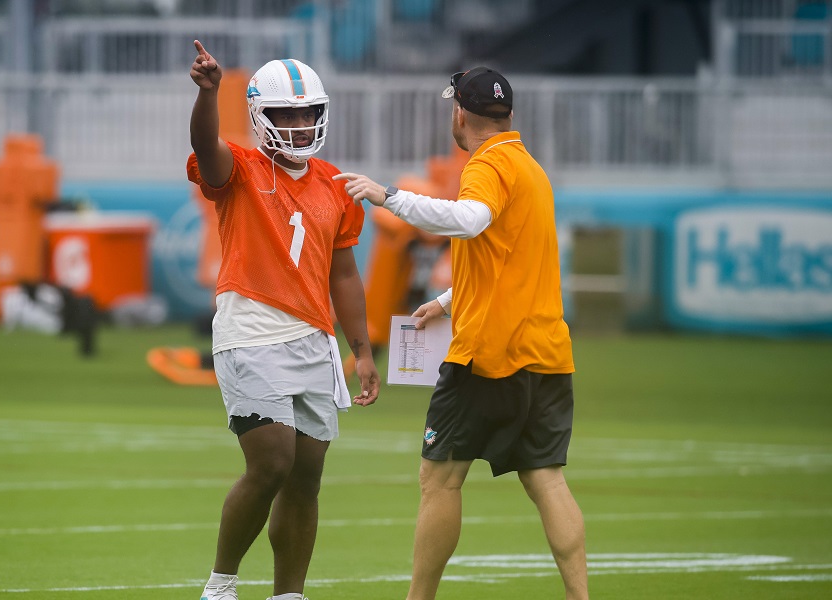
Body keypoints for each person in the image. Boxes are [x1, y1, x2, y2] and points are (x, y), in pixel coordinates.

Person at [335, 67, 588, 600]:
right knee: (547, 478)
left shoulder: (487, 164)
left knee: (440, 481)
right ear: (509, 115)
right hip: (546, 354)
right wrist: (450, 300)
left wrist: (389, 197)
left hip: (489, 357)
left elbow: (469, 220)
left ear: (460, 114)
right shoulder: (530, 169)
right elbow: (513, 260)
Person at [187, 40, 381, 600]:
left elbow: (343, 275)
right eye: (284, 114)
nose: (297, 125)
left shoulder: (335, 185)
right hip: (250, 331)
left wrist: (363, 350)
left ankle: (288, 595)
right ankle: (221, 585)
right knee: (271, 461)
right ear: (259, 117)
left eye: (307, 114)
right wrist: (207, 95)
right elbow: (206, 144)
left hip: (314, 340)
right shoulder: (242, 169)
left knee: (306, 476)